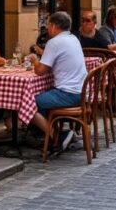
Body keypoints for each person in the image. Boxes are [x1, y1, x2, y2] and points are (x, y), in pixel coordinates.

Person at [26, 12, 87, 153]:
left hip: (68, 94)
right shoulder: (73, 38)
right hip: (81, 92)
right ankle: (42, 134)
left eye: (48, 25)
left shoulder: (54, 42)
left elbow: (40, 71)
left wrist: (34, 60)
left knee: (27, 103)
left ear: (53, 26)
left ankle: (57, 136)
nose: (47, 28)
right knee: (40, 96)